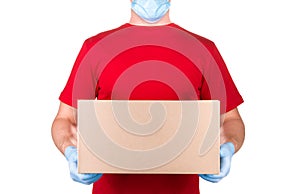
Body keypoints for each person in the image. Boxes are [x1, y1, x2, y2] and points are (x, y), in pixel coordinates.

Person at [51, 0, 245, 193]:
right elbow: (65, 118)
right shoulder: (95, 47)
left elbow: (230, 119)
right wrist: (70, 150)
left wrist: (228, 146)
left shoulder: (203, 49)